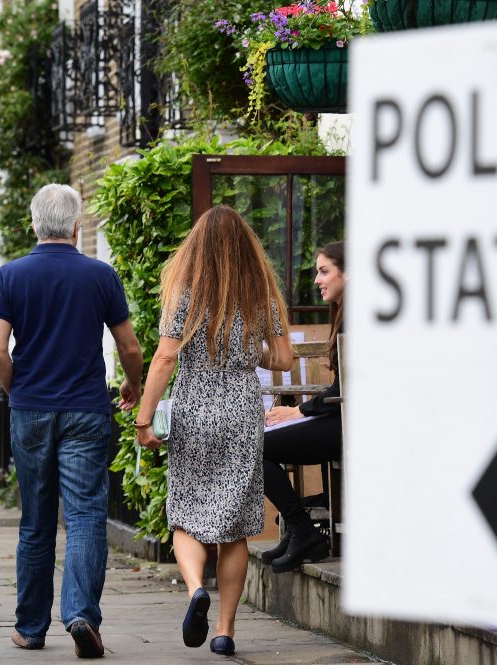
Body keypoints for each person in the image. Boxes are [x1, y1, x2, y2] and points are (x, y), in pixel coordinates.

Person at [0, 183, 143, 659]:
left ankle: (31, 628)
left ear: (35, 224)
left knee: (35, 520)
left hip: (31, 408)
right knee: (85, 517)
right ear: (78, 227)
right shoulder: (100, 275)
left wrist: (19, 390)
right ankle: (80, 616)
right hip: (85, 409)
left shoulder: (10, 276)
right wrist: (132, 386)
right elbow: (130, 347)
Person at [135, 205, 293, 657]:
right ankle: (225, 631)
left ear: (196, 246)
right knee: (236, 528)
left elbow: (165, 359)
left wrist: (144, 419)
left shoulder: (184, 292)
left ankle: (193, 592)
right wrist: (247, 353)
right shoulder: (260, 292)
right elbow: (282, 359)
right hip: (242, 412)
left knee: (185, 512)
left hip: (195, 413)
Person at [260, 241, 346, 573]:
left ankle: (302, 529)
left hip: (355, 426)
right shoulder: (343, 312)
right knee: (258, 443)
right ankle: (299, 528)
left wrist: (298, 412)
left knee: (257, 448)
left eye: (324, 271)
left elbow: (351, 388)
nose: (317, 280)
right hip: (343, 417)